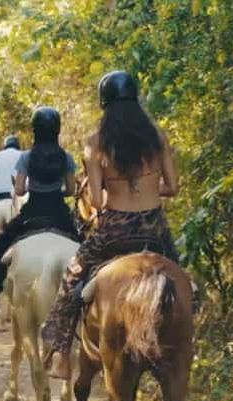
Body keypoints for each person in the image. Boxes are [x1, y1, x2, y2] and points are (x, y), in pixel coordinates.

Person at [40, 71, 180, 380]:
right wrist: (147, 189)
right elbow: (173, 186)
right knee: (186, 284)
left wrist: (112, 190)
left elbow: (98, 203)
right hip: (154, 230)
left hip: (114, 232)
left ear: (105, 103)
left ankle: (61, 355)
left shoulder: (96, 143)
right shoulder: (157, 137)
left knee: (72, 280)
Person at [0, 107, 80, 311]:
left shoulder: (27, 157)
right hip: (59, 214)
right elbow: (70, 190)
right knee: (85, 247)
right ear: (57, 129)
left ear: (35, 130)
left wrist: (24, 185)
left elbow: (21, 190)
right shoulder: (66, 157)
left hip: (31, 214)